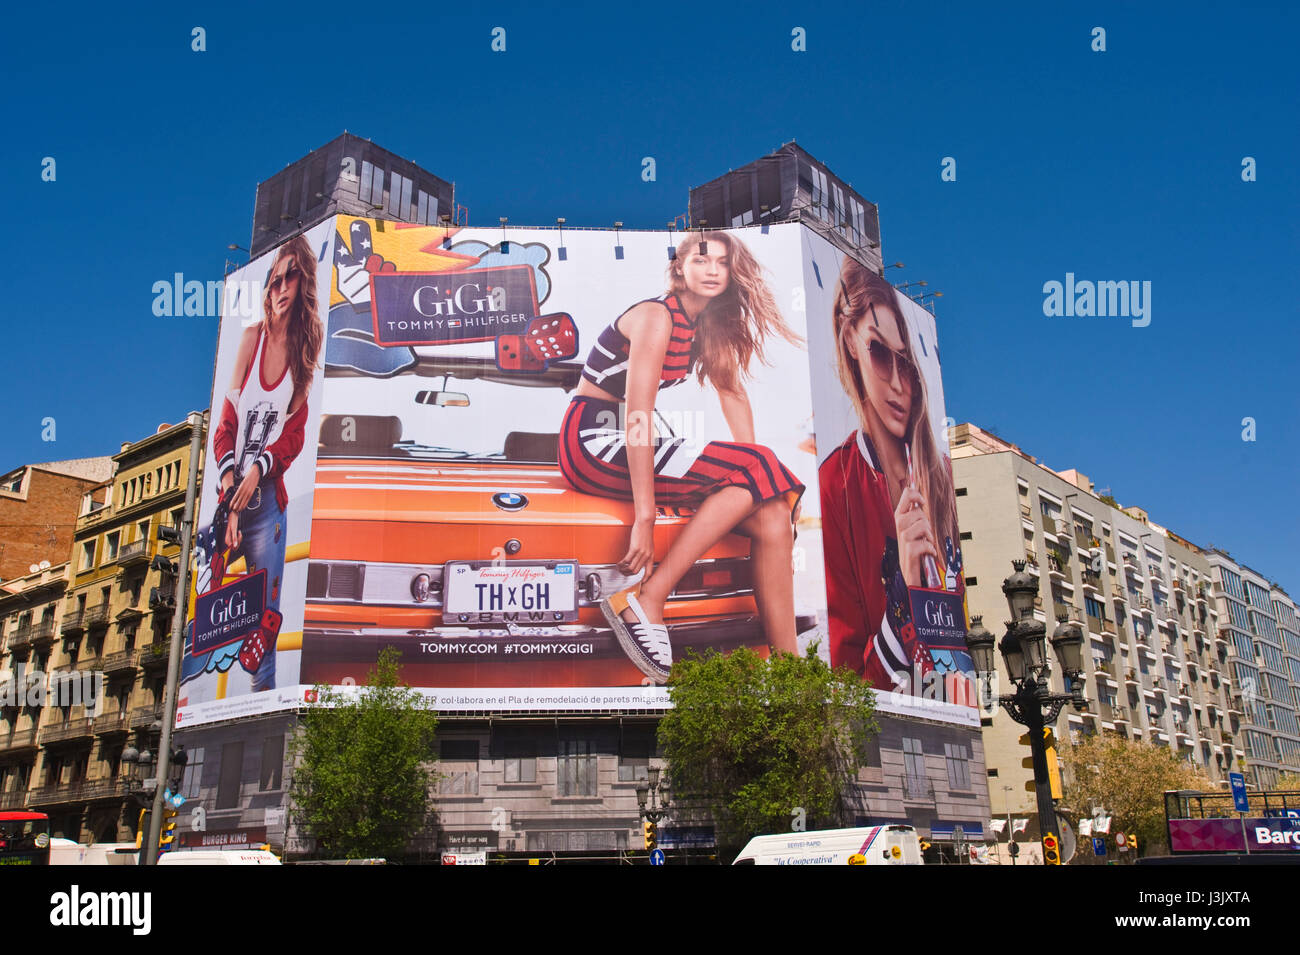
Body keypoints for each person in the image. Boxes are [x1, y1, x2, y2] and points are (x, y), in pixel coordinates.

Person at [558, 231, 804, 683]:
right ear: (679, 267)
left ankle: (792, 675)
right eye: (702, 259)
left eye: (724, 263)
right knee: (759, 468)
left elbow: (731, 392)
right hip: (593, 438)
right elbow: (637, 415)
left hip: (629, 438)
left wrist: (758, 485)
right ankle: (648, 598)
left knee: (770, 512)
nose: (713, 270)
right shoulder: (656, 316)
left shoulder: (707, 328)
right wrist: (645, 519)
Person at [819, 258, 962, 689]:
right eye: (879, 352)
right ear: (849, 341)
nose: (899, 383)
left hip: (952, 714)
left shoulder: (942, 477)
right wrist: (904, 587)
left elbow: (959, 659)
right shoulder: (834, 485)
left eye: (907, 362)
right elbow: (849, 685)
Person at [198, 235, 322, 691]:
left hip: (268, 502)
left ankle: (257, 723)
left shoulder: (306, 352)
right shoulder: (251, 338)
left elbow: (294, 435)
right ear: (267, 289)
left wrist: (259, 470)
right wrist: (232, 491)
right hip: (230, 494)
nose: (282, 287)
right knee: (207, 610)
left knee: (263, 637)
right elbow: (225, 423)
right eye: (275, 280)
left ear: (303, 282)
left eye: (292, 276)